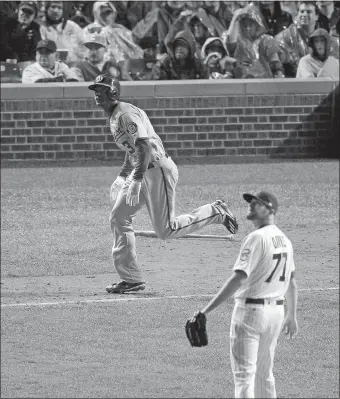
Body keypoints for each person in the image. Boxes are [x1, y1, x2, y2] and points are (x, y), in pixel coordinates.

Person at [88, 73, 239, 294]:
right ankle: (131, 279)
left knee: (165, 231)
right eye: (95, 90)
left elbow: (144, 148)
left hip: (158, 171)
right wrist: (123, 176)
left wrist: (136, 179)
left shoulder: (125, 115)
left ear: (113, 92)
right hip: (144, 171)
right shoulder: (115, 115)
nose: (96, 95)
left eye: (100, 90)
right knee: (118, 216)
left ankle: (215, 211)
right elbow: (133, 151)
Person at [189, 190, 298, 398]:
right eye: (250, 202)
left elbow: (238, 278)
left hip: (250, 314)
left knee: (244, 378)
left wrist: (205, 311)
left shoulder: (256, 238)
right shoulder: (285, 240)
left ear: (269, 210)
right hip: (275, 314)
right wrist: (291, 315)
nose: (250, 205)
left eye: (256, 203)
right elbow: (291, 281)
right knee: (265, 376)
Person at [275, 1, 338, 77]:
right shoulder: (284, 37)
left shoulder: (324, 37)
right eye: (301, 12)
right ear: (297, 15)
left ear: (316, 16)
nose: (304, 15)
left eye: (308, 12)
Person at [223, 4, 285, 79]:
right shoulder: (238, 42)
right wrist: (235, 18)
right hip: (241, 83)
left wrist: (279, 75)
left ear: (257, 25)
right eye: (244, 25)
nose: (247, 28)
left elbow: (275, 63)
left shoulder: (266, 40)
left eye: (250, 25)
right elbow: (230, 44)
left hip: (264, 83)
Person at [39, 1, 86, 66]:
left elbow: (84, 45)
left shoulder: (72, 26)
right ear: (46, 9)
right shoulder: (42, 28)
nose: (56, 10)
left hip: (75, 66)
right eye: (53, 7)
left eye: (59, 8)